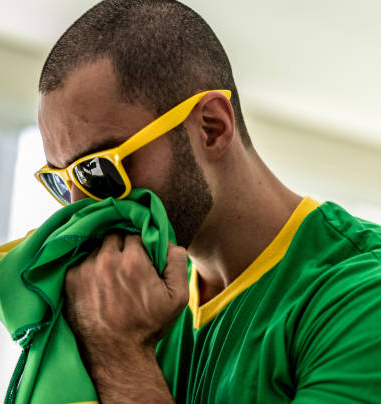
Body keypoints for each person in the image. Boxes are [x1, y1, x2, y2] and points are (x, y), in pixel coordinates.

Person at [31, 0, 381, 402]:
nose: (80, 209)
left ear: (211, 127)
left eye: (98, 171)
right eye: (62, 182)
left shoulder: (363, 298)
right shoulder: (133, 301)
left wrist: (122, 356)